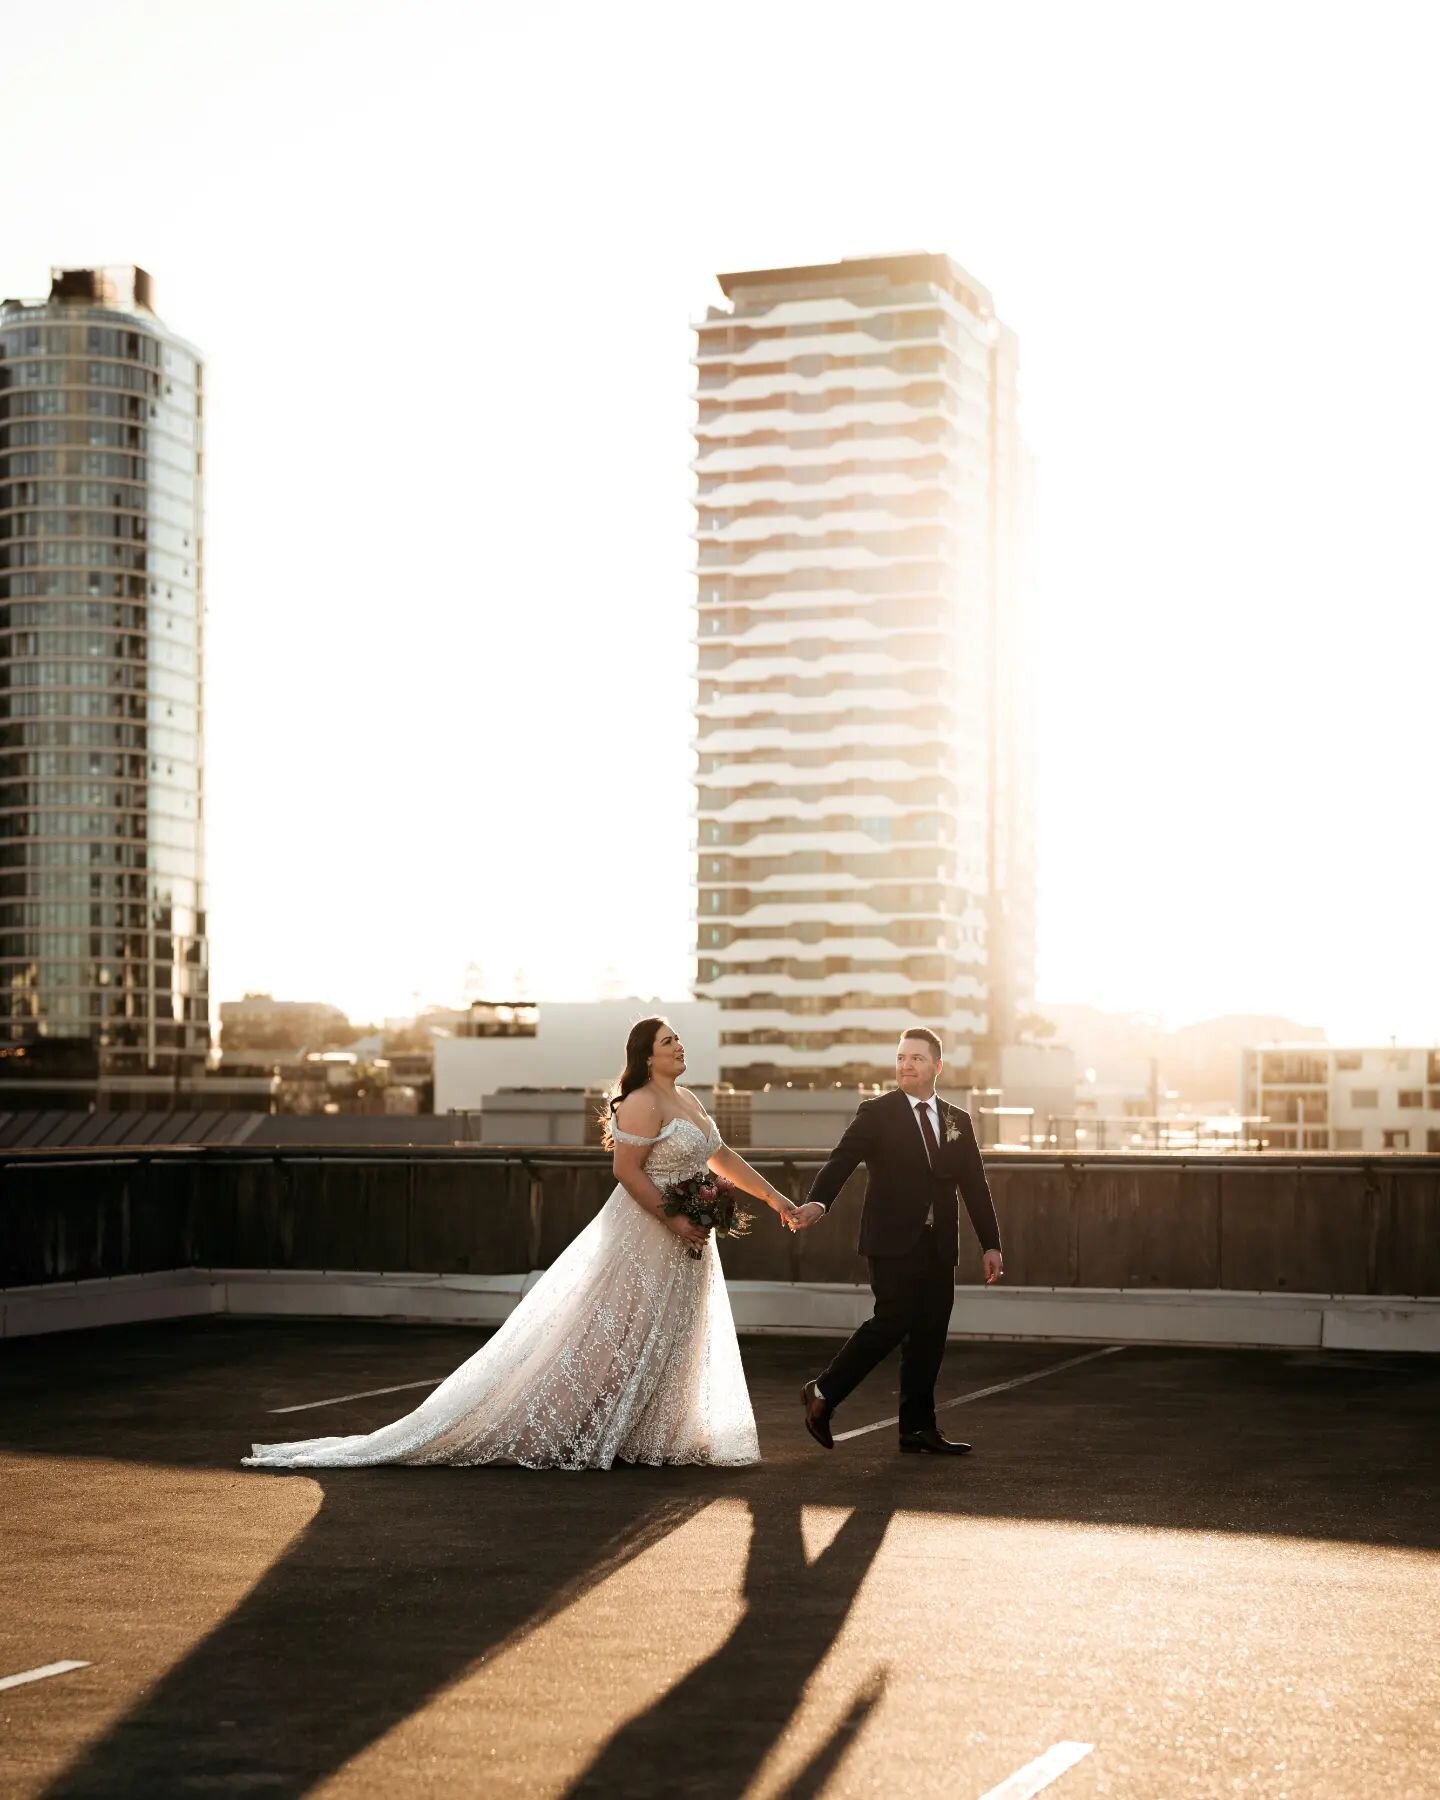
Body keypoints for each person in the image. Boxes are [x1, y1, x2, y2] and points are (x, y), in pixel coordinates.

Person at [243, 1017, 798, 1472]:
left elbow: (721, 1160)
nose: (680, 1047)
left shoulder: (692, 1101)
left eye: (678, 1039)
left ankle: (648, 1430)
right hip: (648, 1233)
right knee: (611, 1333)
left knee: (674, 1330)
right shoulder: (641, 1102)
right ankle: (574, 1425)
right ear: (646, 1056)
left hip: (690, 1240)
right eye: (668, 1041)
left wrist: (776, 1201)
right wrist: (675, 1220)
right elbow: (627, 1172)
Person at [790, 1027, 1004, 1455]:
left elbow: (975, 1185)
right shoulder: (877, 1112)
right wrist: (818, 1202)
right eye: (902, 1057)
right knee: (893, 1321)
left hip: (939, 1243)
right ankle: (824, 1392)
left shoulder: (956, 1119)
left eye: (917, 1059)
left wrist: (991, 1244)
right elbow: (842, 1160)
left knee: (930, 1334)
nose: (906, 1065)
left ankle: (918, 1428)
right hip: (891, 1240)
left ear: (937, 1066)